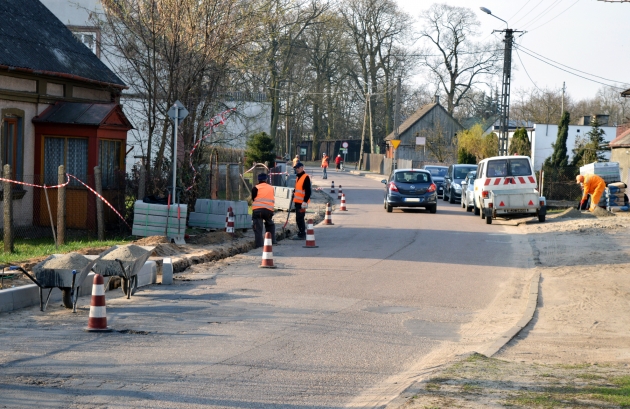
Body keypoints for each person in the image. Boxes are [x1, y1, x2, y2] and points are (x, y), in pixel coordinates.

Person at [252, 173, 276, 248]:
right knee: (270, 224)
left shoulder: (255, 188)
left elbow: (253, 198)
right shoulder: (271, 188)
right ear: (266, 179)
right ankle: (271, 241)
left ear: (258, 180)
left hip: (258, 211)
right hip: (268, 211)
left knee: (258, 227)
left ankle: (259, 245)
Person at [292, 162, 311, 240]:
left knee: (300, 218)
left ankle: (302, 234)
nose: (297, 169)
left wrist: (305, 201)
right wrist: (294, 191)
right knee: (298, 218)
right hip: (297, 201)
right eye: (296, 168)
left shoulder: (305, 177)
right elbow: (298, 188)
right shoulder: (298, 177)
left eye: (298, 168)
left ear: (302, 168)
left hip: (302, 202)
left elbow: (308, 191)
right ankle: (301, 232)